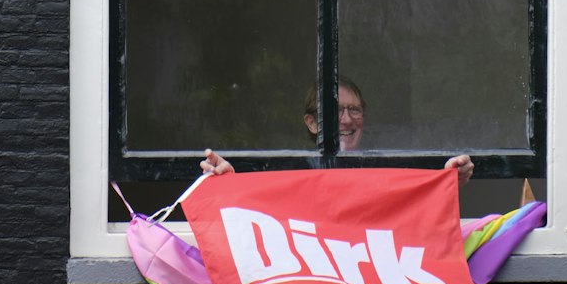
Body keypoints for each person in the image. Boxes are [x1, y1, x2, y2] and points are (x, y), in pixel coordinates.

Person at [201, 78, 474, 185]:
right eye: (336, 111)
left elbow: (418, 203)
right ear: (312, 123)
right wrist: (229, 182)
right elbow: (258, 212)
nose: (346, 120)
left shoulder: (385, 171)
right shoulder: (290, 174)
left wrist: (448, 179)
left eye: (354, 110)